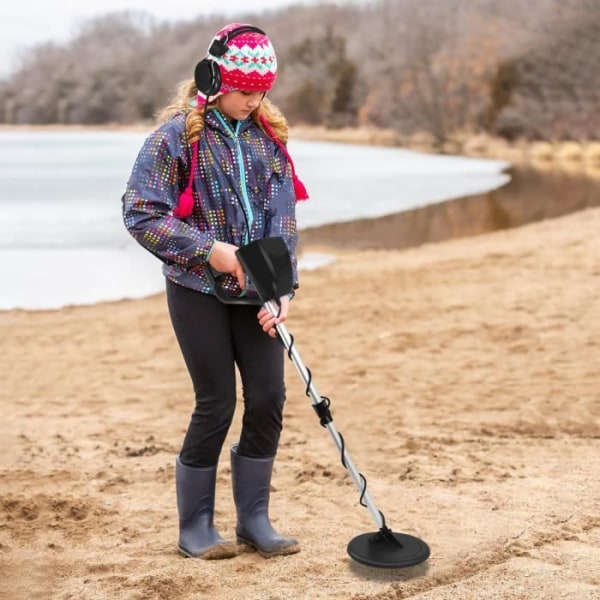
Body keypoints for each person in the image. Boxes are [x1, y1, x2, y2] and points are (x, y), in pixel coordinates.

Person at [122, 22, 308, 560]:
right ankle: (196, 527)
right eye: (245, 90)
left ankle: (254, 519)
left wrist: (284, 286)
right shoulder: (174, 139)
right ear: (214, 79)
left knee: (270, 398)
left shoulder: (269, 140)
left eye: (262, 91)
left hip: (258, 294)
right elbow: (141, 213)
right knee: (217, 401)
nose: (254, 101)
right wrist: (211, 251)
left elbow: (284, 220)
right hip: (196, 288)